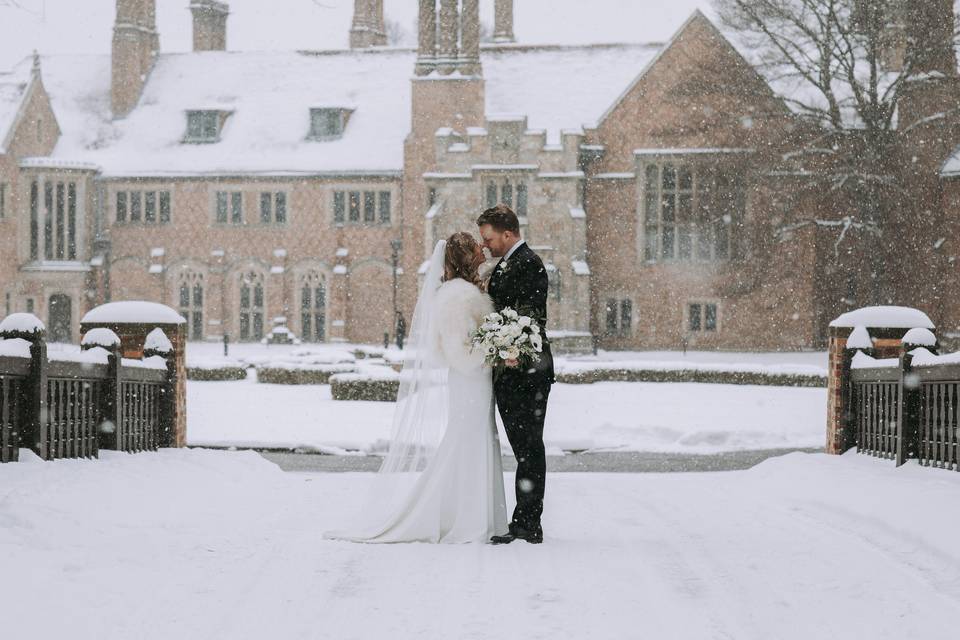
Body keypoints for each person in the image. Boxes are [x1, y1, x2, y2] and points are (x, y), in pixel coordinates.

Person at [324, 233, 508, 544]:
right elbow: (459, 352)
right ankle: (464, 519)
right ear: (465, 257)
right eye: (477, 247)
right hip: (470, 380)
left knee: (475, 442)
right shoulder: (457, 297)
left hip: (476, 382)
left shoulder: (465, 290)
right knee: (467, 442)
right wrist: (496, 351)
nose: (483, 248)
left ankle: (476, 515)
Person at [477, 204, 555, 545]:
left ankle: (528, 524)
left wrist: (511, 350)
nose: (486, 246)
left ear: (508, 233)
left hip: (526, 371)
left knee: (528, 448)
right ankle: (523, 520)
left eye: (489, 238)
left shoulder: (528, 264)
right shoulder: (509, 263)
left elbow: (530, 318)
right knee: (523, 448)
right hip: (513, 371)